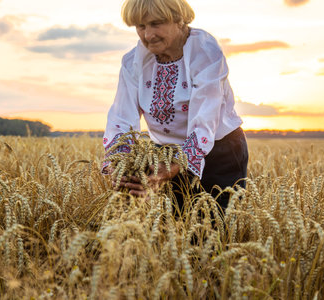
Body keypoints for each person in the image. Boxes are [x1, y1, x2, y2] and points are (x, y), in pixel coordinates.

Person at [102, 0, 248, 210]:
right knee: (173, 228)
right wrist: (122, 163)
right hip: (163, 154)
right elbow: (121, 118)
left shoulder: (205, 54)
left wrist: (173, 166)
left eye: (156, 23)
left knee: (215, 227)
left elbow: (204, 122)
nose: (148, 35)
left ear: (179, 20)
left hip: (220, 152)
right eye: (141, 26)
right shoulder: (133, 62)